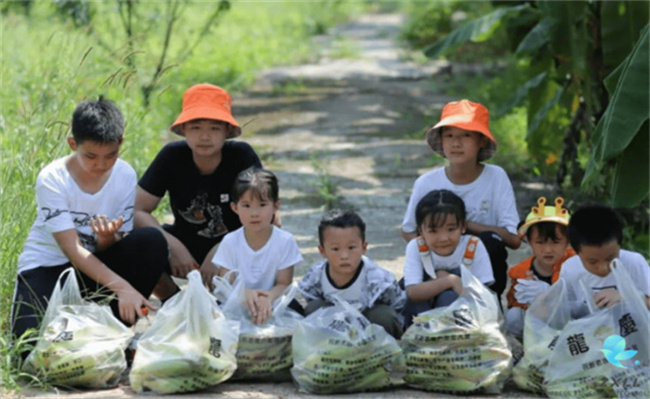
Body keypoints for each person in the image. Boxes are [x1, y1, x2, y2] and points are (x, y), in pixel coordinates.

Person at [11, 96, 178, 342]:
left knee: (151, 241)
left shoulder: (124, 174)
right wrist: (122, 287)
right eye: (90, 156)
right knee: (29, 346)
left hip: (95, 268)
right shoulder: (52, 178)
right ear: (72, 144)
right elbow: (72, 249)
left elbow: (109, 249)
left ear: (120, 143)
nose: (101, 164)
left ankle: (112, 335)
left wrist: (106, 238)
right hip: (49, 267)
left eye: (110, 155)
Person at [134, 83, 263, 286]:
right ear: (184, 129)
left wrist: (224, 249)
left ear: (227, 130)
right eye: (195, 127)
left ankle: (239, 302)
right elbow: (138, 210)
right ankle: (173, 301)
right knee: (140, 242)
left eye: (214, 128)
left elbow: (265, 213)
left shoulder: (242, 156)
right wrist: (173, 246)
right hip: (186, 245)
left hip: (237, 242)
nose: (204, 136)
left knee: (265, 237)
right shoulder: (171, 156)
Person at [401, 99, 520, 300]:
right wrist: (435, 257)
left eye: (466, 135)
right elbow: (408, 230)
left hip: (478, 268)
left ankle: (489, 301)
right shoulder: (426, 182)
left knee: (491, 242)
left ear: (481, 140)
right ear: (441, 140)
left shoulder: (496, 177)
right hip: (435, 270)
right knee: (406, 289)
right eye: (449, 136)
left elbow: (514, 239)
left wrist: (462, 225)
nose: (456, 143)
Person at [213, 167, 303, 325]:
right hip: (237, 300)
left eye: (262, 205)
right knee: (212, 317)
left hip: (272, 300)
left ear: (276, 206)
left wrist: (267, 298)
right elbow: (226, 283)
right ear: (235, 208)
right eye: (246, 206)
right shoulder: (230, 241)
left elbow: (284, 283)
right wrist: (244, 294)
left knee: (298, 313)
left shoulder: (285, 241)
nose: (254, 213)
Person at [298, 209, 406, 339]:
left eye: (351, 248)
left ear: (364, 247)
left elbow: (399, 307)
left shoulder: (379, 281)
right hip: (334, 330)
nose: (344, 256)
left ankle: (383, 355)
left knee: (384, 315)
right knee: (313, 309)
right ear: (322, 251)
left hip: (370, 330)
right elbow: (311, 302)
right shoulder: (316, 277)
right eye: (335, 249)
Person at [402, 189, 494, 329]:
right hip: (422, 317)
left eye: (451, 229)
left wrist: (449, 283)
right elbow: (413, 292)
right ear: (420, 230)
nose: (444, 238)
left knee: (448, 298)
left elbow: (482, 298)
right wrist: (449, 280)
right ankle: (419, 336)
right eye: (433, 231)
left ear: (463, 227)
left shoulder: (473, 246)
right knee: (412, 297)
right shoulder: (415, 247)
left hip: (464, 320)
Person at [504, 197, 575, 338]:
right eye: (540, 242)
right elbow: (513, 301)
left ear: (567, 241)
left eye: (555, 242)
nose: (548, 249)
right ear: (529, 241)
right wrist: (526, 302)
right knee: (513, 317)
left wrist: (549, 295)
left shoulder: (575, 264)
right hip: (535, 323)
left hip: (569, 322)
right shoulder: (521, 273)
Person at [560, 204, 650, 316]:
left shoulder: (634, 263)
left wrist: (626, 297)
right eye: (592, 262)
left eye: (610, 258)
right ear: (576, 251)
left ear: (619, 244)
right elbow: (566, 309)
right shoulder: (570, 269)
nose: (603, 268)